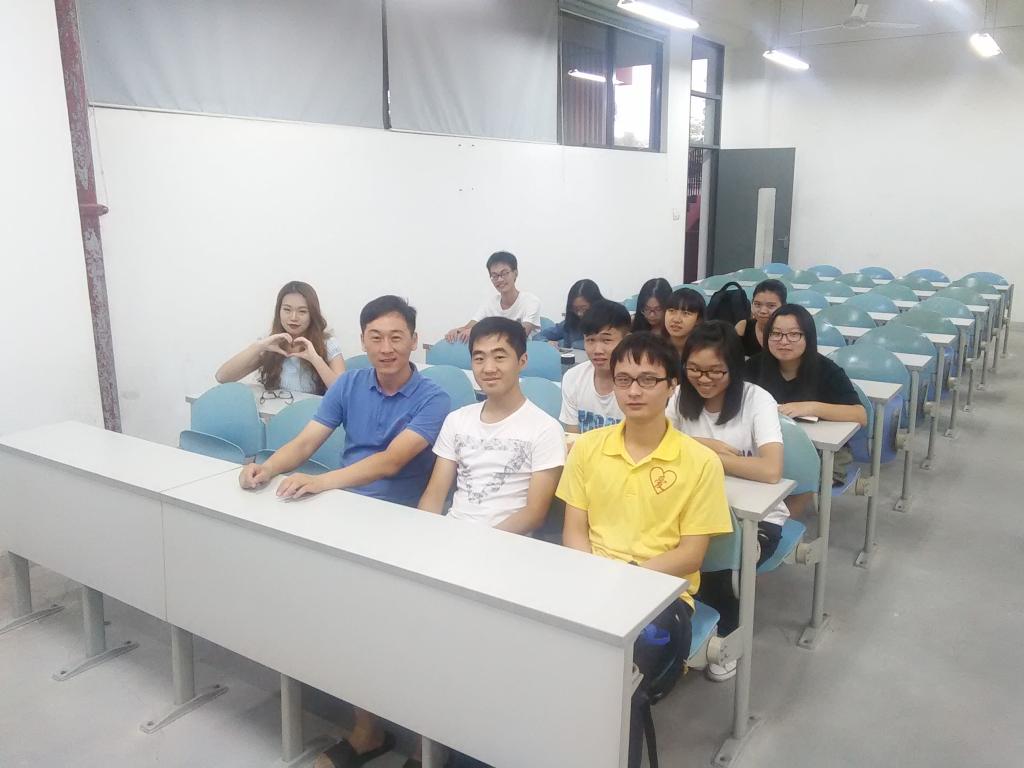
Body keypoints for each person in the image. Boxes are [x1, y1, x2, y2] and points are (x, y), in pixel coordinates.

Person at [237, 295, 451, 768]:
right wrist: (267, 468)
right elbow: (307, 442)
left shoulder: (434, 398)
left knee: (410, 638)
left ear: (415, 341)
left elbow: (391, 461)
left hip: (404, 523)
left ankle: (427, 746)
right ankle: (367, 731)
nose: (386, 348)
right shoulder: (350, 383)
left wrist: (321, 481)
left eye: (396, 337)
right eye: (376, 337)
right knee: (345, 625)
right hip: (346, 514)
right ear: (362, 341)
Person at [557, 332, 732, 768]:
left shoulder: (700, 462)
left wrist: (622, 584)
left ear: (673, 385)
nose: (634, 390)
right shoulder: (588, 448)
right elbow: (574, 532)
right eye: (624, 379)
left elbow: (691, 555)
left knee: (618, 682)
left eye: (648, 380)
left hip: (662, 598)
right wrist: (595, 581)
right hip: (588, 579)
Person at [415, 317, 565, 768]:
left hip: (508, 554)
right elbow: (434, 495)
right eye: (479, 358)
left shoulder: (543, 429)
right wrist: (419, 544)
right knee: (421, 642)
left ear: (522, 360)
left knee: (477, 658)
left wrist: (475, 547)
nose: (488, 367)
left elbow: (534, 513)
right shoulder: (457, 420)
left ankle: (476, 745)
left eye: (500, 356)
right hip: (453, 543)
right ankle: (430, 735)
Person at [671, 320, 785, 683]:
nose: (703, 379)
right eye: (694, 369)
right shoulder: (679, 397)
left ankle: (727, 640)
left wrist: (708, 457)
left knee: (722, 566)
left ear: (734, 367)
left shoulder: (756, 400)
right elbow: (659, 442)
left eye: (715, 371)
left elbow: (770, 470)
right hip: (689, 509)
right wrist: (707, 445)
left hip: (755, 518)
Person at [746, 304, 867, 503]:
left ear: (808, 338)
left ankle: (783, 520)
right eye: (776, 334)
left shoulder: (827, 370)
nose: (783, 341)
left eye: (794, 334)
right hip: (765, 445)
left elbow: (859, 415)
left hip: (820, 452)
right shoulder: (753, 366)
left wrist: (811, 407)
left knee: (797, 483)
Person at [216, 281, 346, 395]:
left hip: (311, 413)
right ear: (279, 311)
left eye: (302, 311)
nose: (293, 317)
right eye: (287, 310)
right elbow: (223, 377)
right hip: (275, 412)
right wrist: (257, 347)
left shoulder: (328, 344)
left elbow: (342, 393)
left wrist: (315, 359)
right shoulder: (271, 343)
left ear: (312, 314)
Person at [560, 300, 633, 433]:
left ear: (627, 340)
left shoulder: (638, 385)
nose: (597, 350)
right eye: (590, 340)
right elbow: (573, 437)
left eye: (606, 340)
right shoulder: (573, 378)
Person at [445, 252, 541, 342]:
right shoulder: (490, 303)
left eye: (504, 273)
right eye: (494, 276)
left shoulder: (531, 301)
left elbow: (522, 333)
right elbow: (470, 326)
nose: (499, 279)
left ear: (515, 273)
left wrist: (478, 330)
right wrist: (458, 331)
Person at [536, 279, 604, 350]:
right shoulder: (570, 323)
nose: (579, 313)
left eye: (584, 308)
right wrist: (546, 342)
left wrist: (574, 344)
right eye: (575, 309)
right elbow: (538, 337)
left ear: (595, 304)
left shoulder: (608, 322)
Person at [735, 278, 787, 357]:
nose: (763, 311)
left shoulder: (791, 333)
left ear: (783, 306)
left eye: (771, 306)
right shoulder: (743, 327)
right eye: (757, 304)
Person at [664, 287, 707, 358]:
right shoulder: (655, 348)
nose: (676, 320)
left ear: (698, 319)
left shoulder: (705, 352)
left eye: (685, 313)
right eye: (671, 311)